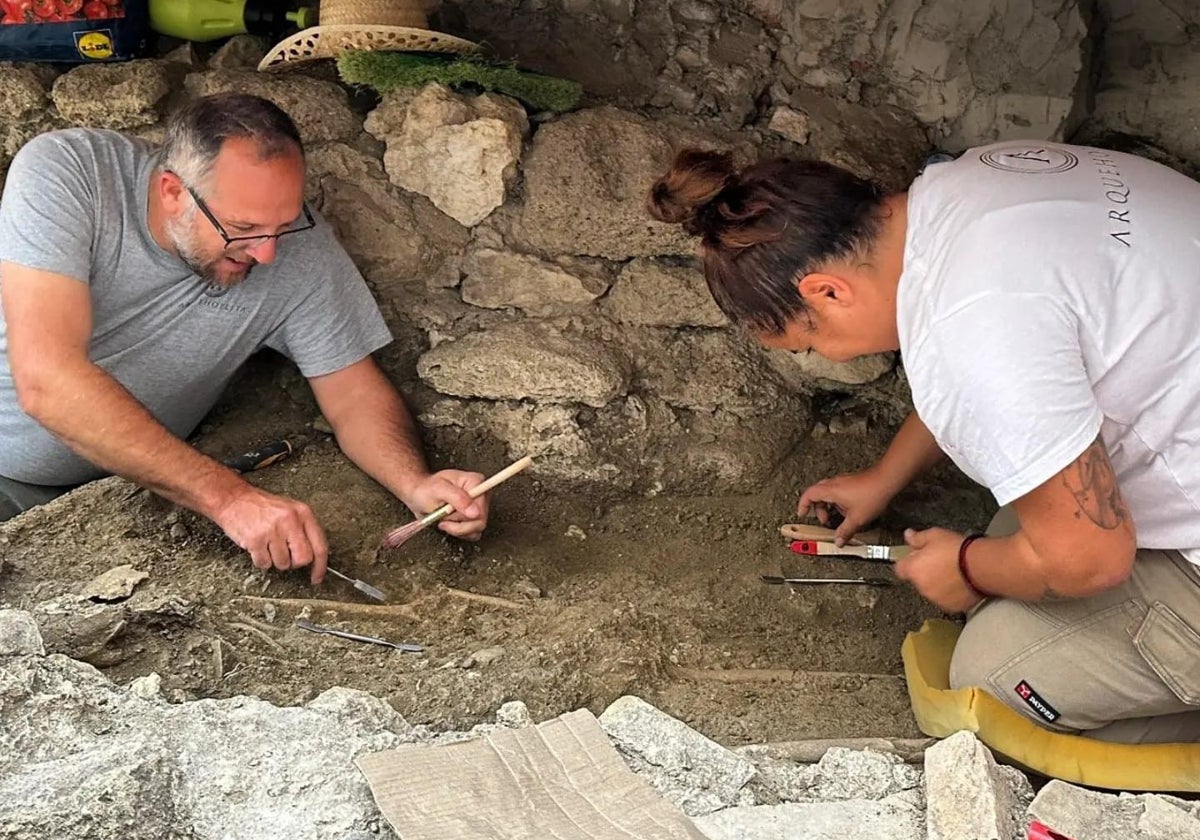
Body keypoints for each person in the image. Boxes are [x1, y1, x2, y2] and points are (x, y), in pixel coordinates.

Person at [647, 142, 1200, 744]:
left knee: (989, 683)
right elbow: (1014, 371)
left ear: (827, 292)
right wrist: (886, 476)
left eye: (810, 344)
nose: (826, 357)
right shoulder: (968, 184)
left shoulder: (971, 331)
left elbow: (1088, 558)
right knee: (1014, 536)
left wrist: (967, 569)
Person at [0, 93, 491, 585]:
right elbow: (47, 380)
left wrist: (416, 483)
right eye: (243, 229)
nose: (267, 254)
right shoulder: (70, 174)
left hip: (131, 497)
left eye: (284, 225)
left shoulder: (296, 247)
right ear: (172, 191)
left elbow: (353, 393)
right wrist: (231, 499)